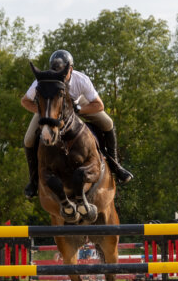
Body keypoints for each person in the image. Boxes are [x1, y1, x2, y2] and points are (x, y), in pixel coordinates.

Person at [20, 49, 133, 198]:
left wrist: (79, 109)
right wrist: (43, 112)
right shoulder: (43, 82)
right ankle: (33, 181)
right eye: (55, 71)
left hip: (80, 105)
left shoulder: (81, 80)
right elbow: (25, 101)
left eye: (62, 72)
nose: (58, 76)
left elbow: (99, 105)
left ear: (70, 69)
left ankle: (116, 166)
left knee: (108, 122)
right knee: (28, 139)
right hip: (52, 110)